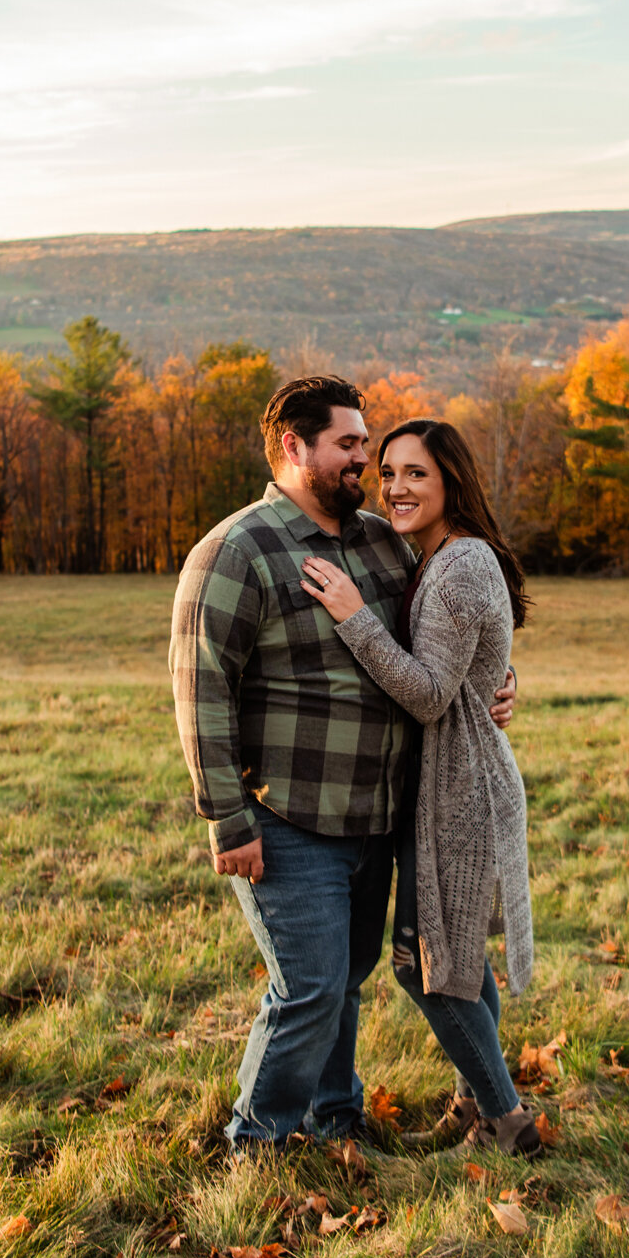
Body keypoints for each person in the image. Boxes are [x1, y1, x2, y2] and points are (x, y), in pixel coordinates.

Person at [171, 377, 518, 1155]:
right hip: (288, 818)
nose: (366, 458)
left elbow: (440, 646)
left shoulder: (379, 543)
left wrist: (498, 678)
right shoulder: (238, 551)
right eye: (350, 444)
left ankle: (335, 1116)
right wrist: (229, 819)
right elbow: (202, 692)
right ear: (295, 447)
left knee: (348, 980)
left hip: (381, 817)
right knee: (312, 986)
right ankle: (254, 1143)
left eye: (368, 442)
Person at [297, 416, 540, 1155]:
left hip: (461, 794)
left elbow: (432, 693)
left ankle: (507, 1121)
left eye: (416, 474)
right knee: (459, 955)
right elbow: (473, 668)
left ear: (451, 482)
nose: (396, 488)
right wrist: (499, 681)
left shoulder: (460, 564)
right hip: (445, 787)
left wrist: (354, 617)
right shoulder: (438, 555)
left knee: (427, 967)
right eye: (389, 472)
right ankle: (477, 1103)